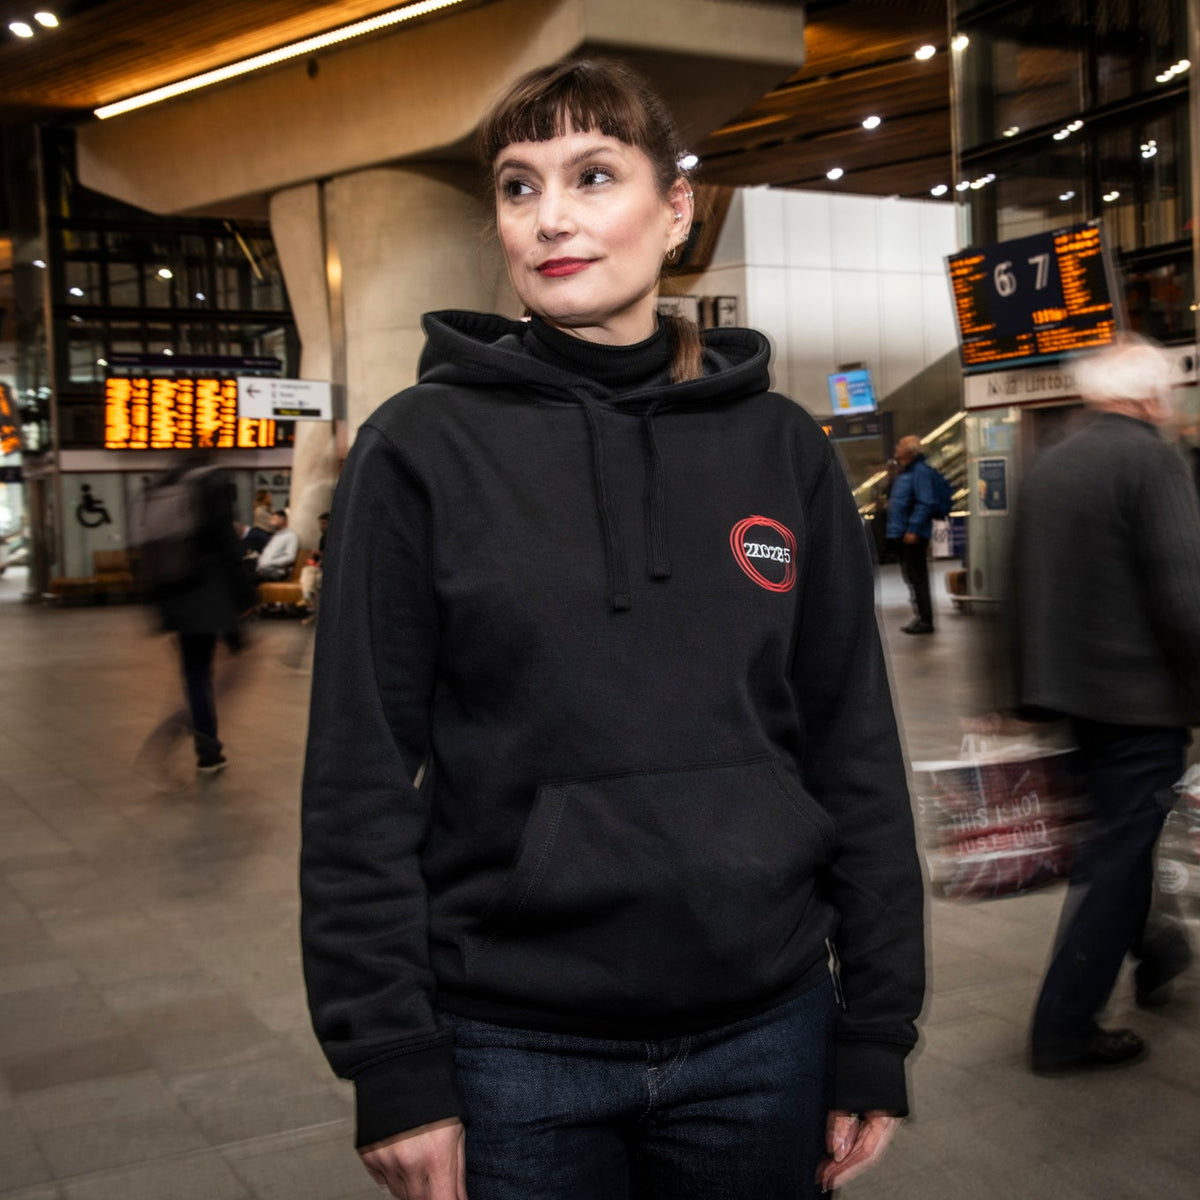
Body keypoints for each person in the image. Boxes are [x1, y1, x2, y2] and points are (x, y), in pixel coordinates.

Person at [300, 58, 924, 1200]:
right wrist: (391, 1060)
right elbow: (358, 774)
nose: (552, 219)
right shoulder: (419, 450)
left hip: (769, 1030)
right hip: (512, 1046)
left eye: (593, 176)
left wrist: (876, 1020)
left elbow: (853, 752)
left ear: (676, 209)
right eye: (518, 186)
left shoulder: (782, 451)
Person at [1011, 333, 1199, 1074]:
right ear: (1151, 395)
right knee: (1116, 859)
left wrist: (1020, 695)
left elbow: (1020, 584)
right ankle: (1064, 1029)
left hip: (1073, 696)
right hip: (1138, 699)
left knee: (1123, 836)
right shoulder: (1150, 458)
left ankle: (1158, 951)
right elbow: (1184, 596)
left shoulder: (1054, 458)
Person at [138, 455, 255, 775]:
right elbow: (227, 544)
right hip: (212, 596)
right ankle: (203, 744)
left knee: (195, 675)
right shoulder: (211, 481)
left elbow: (148, 548)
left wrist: (155, 604)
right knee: (226, 666)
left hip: (176, 596)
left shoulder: (164, 483)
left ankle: (207, 746)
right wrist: (246, 598)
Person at [885, 434, 938, 634]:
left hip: (912, 535)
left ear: (909, 451)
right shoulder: (904, 472)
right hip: (902, 533)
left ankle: (926, 619)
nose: (896, 448)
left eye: (900, 445)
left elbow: (926, 501)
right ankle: (920, 616)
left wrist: (913, 529)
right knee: (912, 577)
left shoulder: (919, 472)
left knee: (918, 577)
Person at [297, 511, 329, 623]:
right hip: (321, 568)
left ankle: (309, 601)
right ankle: (307, 596)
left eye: (324, 523)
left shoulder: (337, 538)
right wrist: (315, 557)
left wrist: (320, 554)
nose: (321, 527)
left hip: (330, 571)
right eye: (321, 524)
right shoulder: (323, 538)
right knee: (308, 571)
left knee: (315, 579)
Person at [255, 509, 298, 581]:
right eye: (271, 519)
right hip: (264, 569)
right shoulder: (275, 536)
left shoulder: (291, 536)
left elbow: (290, 557)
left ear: (283, 520)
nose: (271, 522)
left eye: (274, 519)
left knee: (249, 578)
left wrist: (269, 563)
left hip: (276, 572)